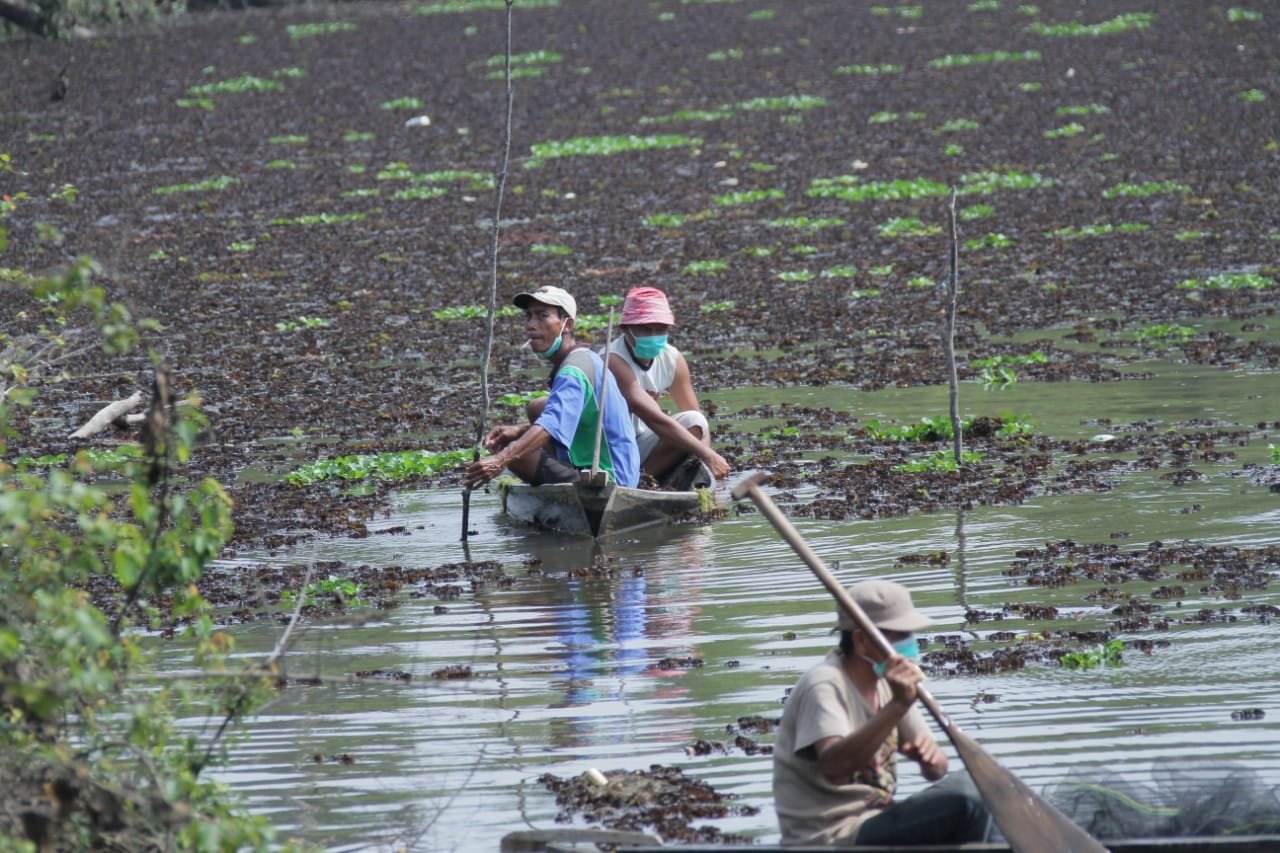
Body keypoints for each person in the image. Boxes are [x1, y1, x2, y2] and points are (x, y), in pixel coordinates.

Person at [773, 579, 992, 847]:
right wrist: (898, 706)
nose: (909, 643)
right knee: (968, 796)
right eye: (898, 635)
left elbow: (937, 770)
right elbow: (834, 767)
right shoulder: (825, 684)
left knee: (986, 789)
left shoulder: (890, 684)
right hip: (832, 835)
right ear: (861, 640)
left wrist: (931, 760)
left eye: (909, 633)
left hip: (879, 818)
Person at [462, 286, 640, 489]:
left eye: (542, 316)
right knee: (536, 408)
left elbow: (552, 424)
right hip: (614, 469)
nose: (531, 325)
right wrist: (519, 430)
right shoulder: (583, 357)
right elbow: (568, 416)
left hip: (610, 477)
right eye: (529, 316)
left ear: (567, 324)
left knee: (515, 455)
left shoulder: (574, 370)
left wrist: (500, 459)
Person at [603, 286, 729, 486]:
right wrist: (708, 454)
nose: (653, 336)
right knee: (685, 428)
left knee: (695, 421)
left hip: (643, 443)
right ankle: (635, 484)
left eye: (660, 329)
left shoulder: (672, 358)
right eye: (645, 329)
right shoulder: (613, 360)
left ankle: (647, 477)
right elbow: (654, 419)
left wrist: (705, 462)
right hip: (610, 447)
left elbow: (698, 423)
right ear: (625, 329)